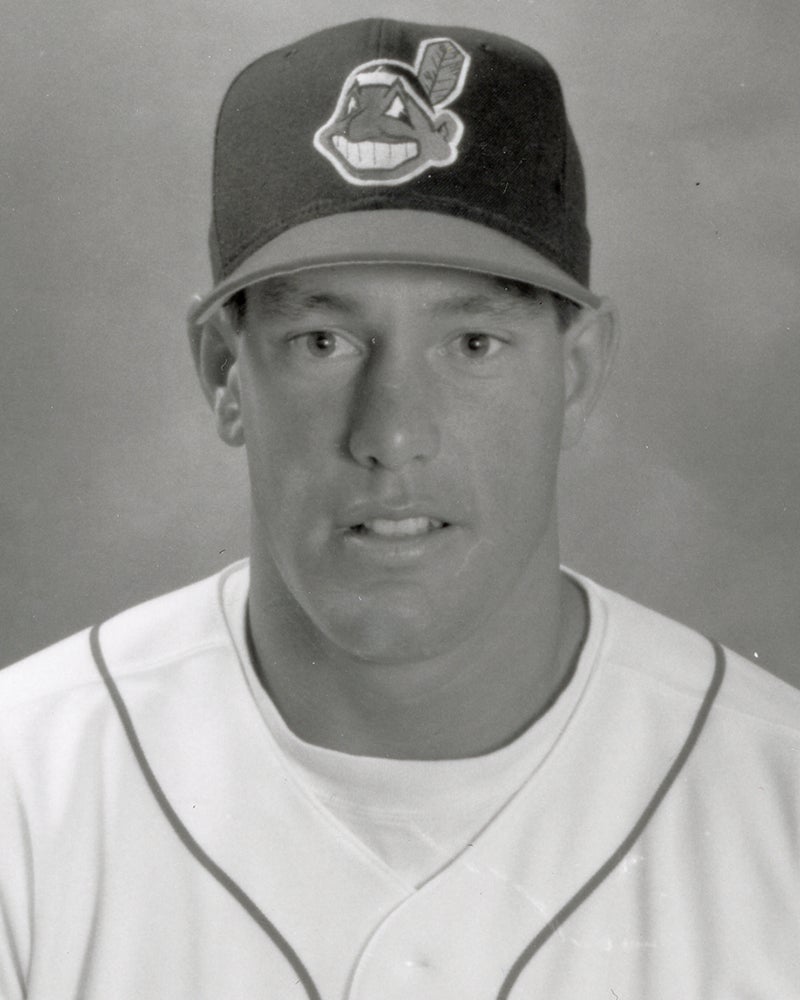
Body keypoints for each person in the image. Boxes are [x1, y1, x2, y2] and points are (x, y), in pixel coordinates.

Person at [0, 17, 797, 1000]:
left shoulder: (776, 800)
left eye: (472, 344)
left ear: (576, 371)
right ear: (223, 372)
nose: (391, 432)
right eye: (323, 341)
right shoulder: (24, 793)